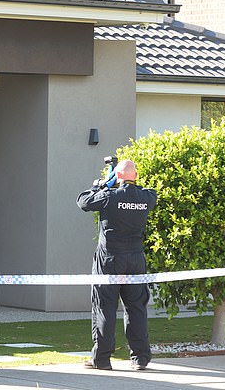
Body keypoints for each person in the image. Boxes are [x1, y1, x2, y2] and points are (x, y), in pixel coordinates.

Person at [76, 159, 157, 371]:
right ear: (136, 176)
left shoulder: (109, 196)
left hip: (110, 259)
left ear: (117, 177)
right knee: (136, 307)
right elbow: (138, 194)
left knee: (104, 307)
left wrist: (101, 185)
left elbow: (83, 201)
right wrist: (116, 183)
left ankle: (102, 359)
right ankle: (140, 358)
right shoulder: (148, 197)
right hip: (135, 259)